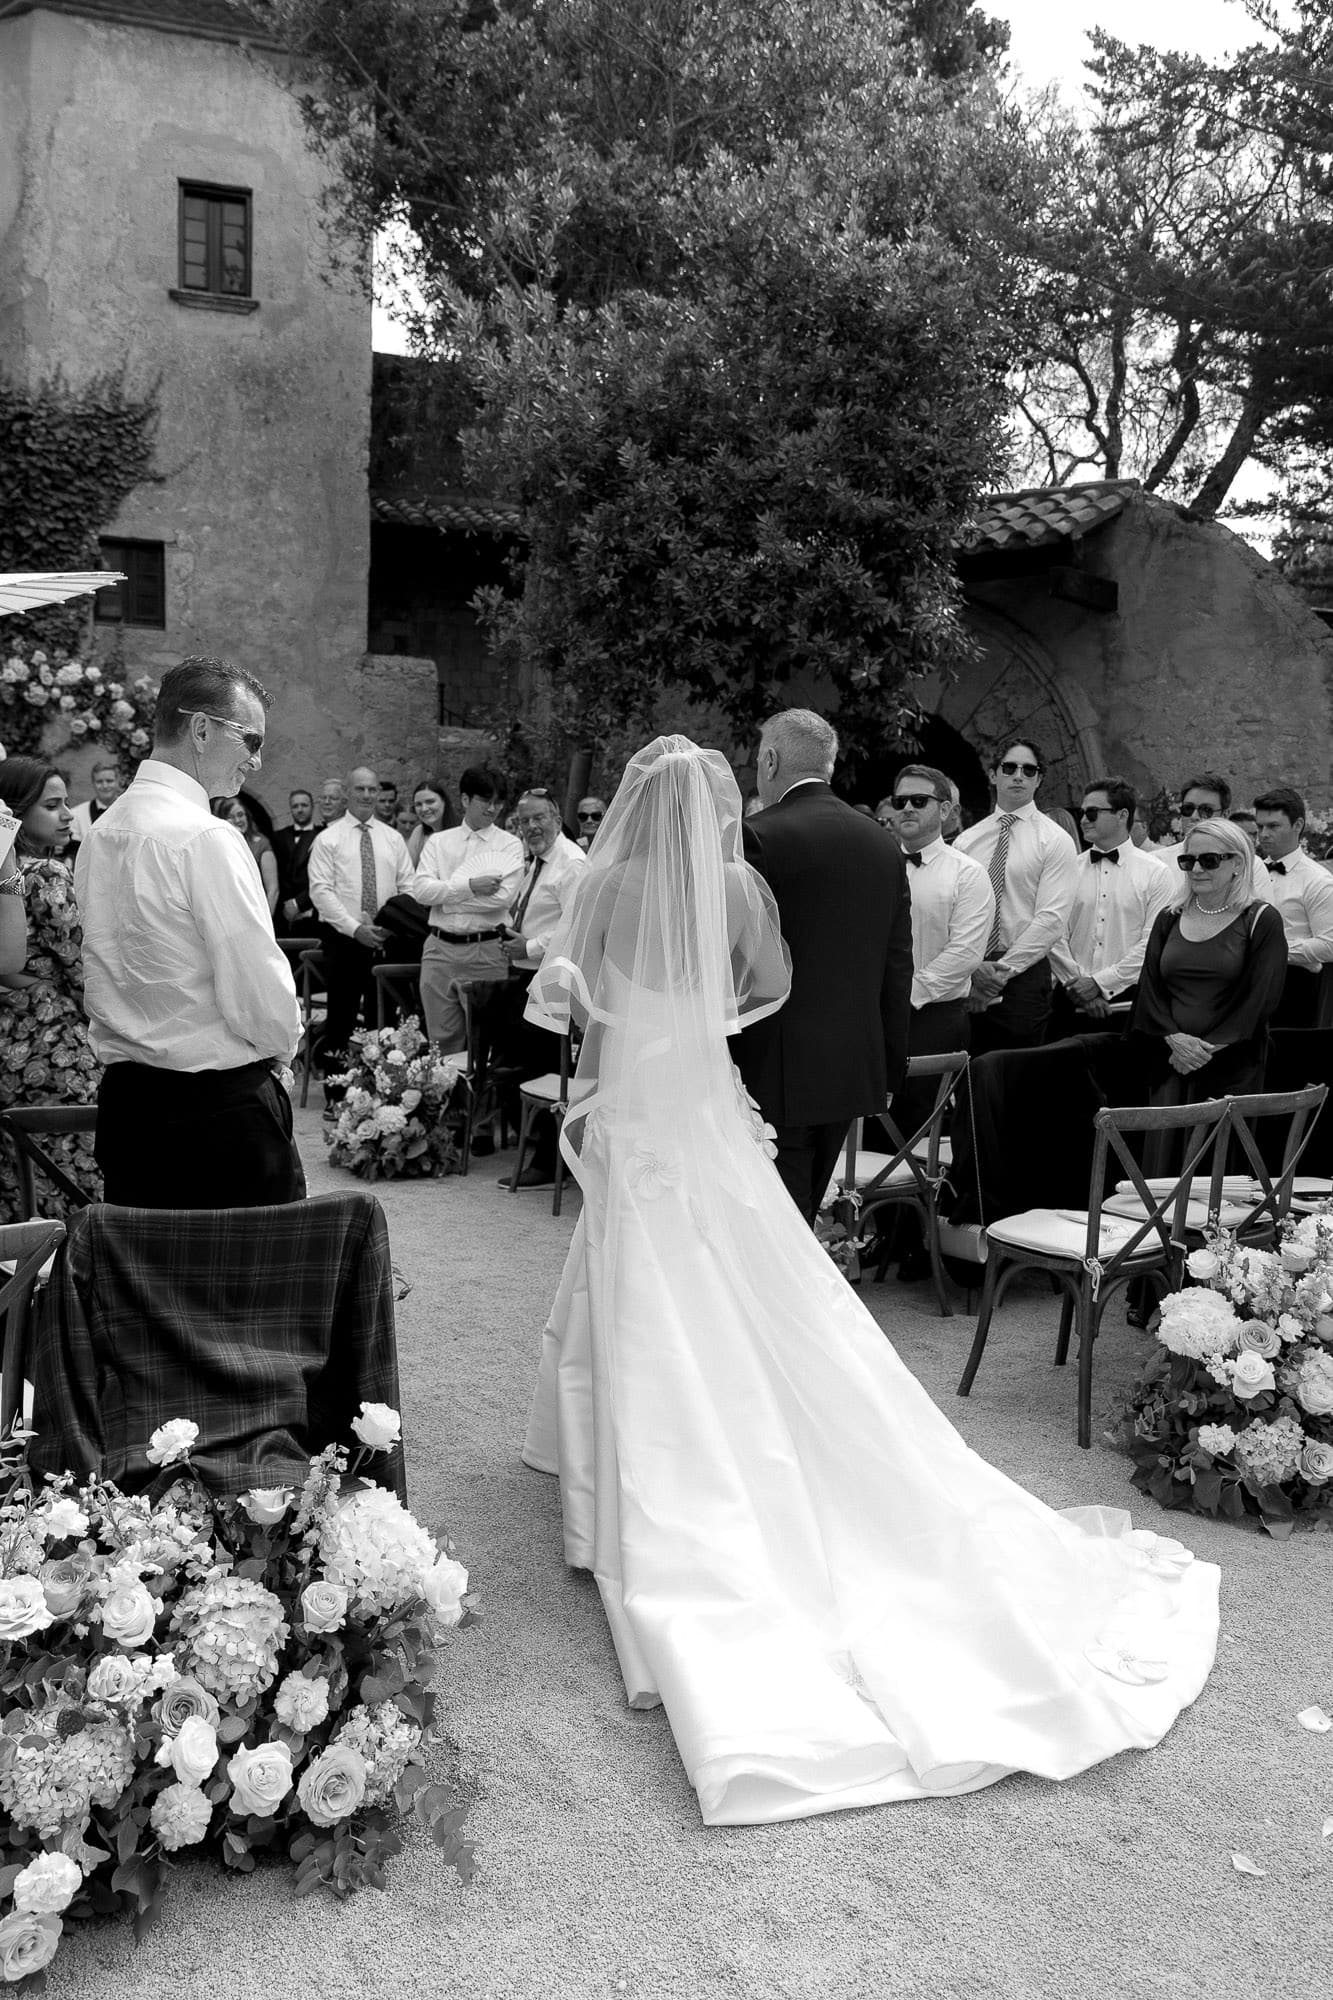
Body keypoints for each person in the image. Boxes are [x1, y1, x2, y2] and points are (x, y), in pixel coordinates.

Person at [520, 734, 1219, 1828]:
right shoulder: (738, 886)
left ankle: (623, 1473)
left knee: (643, 1283)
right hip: (703, 1105)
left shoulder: (604, 887)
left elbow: (583, 1014)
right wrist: (698, 1024)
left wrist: (613, 1056)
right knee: (748, 1276)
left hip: (639, 1111)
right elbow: (764, 990)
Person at [75, 656, 304, 1209]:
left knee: (147, 1264)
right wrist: (282, 1051)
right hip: (220, 1114)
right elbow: (256, 982)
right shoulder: (207, 837)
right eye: (251, 740)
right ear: (201, 729)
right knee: (253, 1266)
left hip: (129, 1108)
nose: (256, 759)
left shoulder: (101, 833)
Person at [734, 709, 913, 1222]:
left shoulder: (757, 836)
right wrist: (888, 1063)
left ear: (770, 760)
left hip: (769, 1065)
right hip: (851, 1065)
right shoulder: (882, 842)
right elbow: (897, 963)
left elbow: (737, 957)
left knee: (773, 1222)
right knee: (802, 1212)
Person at [0, 758, 101, 1217]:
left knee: (18, 1186)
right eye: (52, 805)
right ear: (17, 812)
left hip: (9, 1036)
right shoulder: (44, 875)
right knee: (74, 1183)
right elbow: (82, 967)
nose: (66, 815)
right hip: (52, 1042)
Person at [1130, 815, 1287, 1105]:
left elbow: (1261, 997)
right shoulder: (1169, 917)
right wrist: (1175, 1040)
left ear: (1237, 863)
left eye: (1209, 860)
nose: (1197, 869)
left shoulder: (1262, 919)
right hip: (1168, 1063)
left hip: (1233, 1067)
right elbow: (1149, 990)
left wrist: (1201, 1051)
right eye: (1188, 861)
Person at [486, 788, 587, 1188]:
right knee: (520, 1064)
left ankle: (549, 1160)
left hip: (551, 981)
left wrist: (527, 946)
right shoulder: (538, 861)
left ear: (557, 819)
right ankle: (537, 1144)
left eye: (538, 818)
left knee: (545, 1068)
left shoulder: (571, 863)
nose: (530, 827)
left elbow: (575, 926)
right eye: (524, 821)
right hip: (526, 976)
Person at [884, 763, 992, 1136]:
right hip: (874, 1015)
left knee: (917, 1128)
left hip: (933, 1017)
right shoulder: (877, 865)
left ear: (945, 810)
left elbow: (965, 953)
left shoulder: (968, 873)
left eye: (919, 801)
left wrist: (906, 993)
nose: (907, 808)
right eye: (900, 801)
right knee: (870, 1121)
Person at [954, 740, 1079, 1056]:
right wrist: (973, 969)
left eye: (1029, 770)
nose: (1018, 776)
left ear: (1039, 779)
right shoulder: (967, 841)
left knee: (1016, 1072)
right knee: (967, 1070)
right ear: (993, 775)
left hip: (1023, 973)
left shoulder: (1055, 840)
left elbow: (1051, 920)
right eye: (1009, 768)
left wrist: (1000, 973)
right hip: (969, 969)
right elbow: (952, 913)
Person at [307, 765, 416, 1072]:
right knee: (342, 1018)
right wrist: (355, 929)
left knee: (384, 1020)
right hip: (344, 940)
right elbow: (321, 891)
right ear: (347, 793)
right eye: (360, 789)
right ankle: (338, 1090)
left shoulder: (393, 839)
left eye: (372, 789)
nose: (367, 795)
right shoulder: (328, 839)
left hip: (386, 939)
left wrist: (391, 924)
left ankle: (381, 1087)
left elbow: (408, 886)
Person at [1048, 776, 1173, 1036]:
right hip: (1069, 998)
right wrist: (1079, 985)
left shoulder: (1156, 873)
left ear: (1122, 815)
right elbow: (1054, 932)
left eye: (1092, 812)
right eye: (1082, 813)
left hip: (1129, 1000)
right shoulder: (1068, 869)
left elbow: (1153, 941)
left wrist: (1100, 983)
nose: (1084, 819)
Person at [411, 766, 524, 1053]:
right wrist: (470, 886)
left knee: (486, 1042)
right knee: (441, 1042)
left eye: (498, 802)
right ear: (465, 800)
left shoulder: (510, 845)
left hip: (486, 949)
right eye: (485, 801)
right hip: (438, 950)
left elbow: (501, 899)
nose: (492, 809)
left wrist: (445, 899)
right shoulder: (439, 842)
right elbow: (421, 891)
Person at [1253, 785, 1333, 1027]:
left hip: (1297, 990)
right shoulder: (1250, 872)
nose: (1263, 834)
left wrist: (1275, 951)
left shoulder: (1318, 881)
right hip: (1250, 986)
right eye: (1260, 827)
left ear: (1298, 825)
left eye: (1273, 826)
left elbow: (1330, 944)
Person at [1157, 772, 1273, 904]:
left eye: (1206, 810)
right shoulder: (1158, 863)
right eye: (1188, 809)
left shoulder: (1250, 864)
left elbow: (1262, 913)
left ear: (1225, 814)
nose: (1194, 816)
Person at [214, 795, 279, 917]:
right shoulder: (221, 846)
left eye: (240, 815)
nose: (237, 820)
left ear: (247, 816)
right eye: (231, 817)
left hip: (256, 911)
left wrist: (266, 919)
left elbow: (272, 890)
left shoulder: (261, 844)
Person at [272, 788, 321, 936]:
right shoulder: (278, 837)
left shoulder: (323, 835)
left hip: (314, 909)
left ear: (312, 807)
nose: (300, 810)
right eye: (295, 806)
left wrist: (300, 903)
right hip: (283, 915)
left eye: (304, 805)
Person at [67, 757, 124, 844]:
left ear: (117, 782)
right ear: (93, 783)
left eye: (109, 781)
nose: (105, 786)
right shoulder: (76, 815)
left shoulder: (130, 811)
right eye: (99, 782)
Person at [405, 777, 455, 865]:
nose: (424, 809)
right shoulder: (419, 832)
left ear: (444, 801)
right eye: (418, 804)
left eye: (430, 802)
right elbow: (407, 869)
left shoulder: (461, 831)